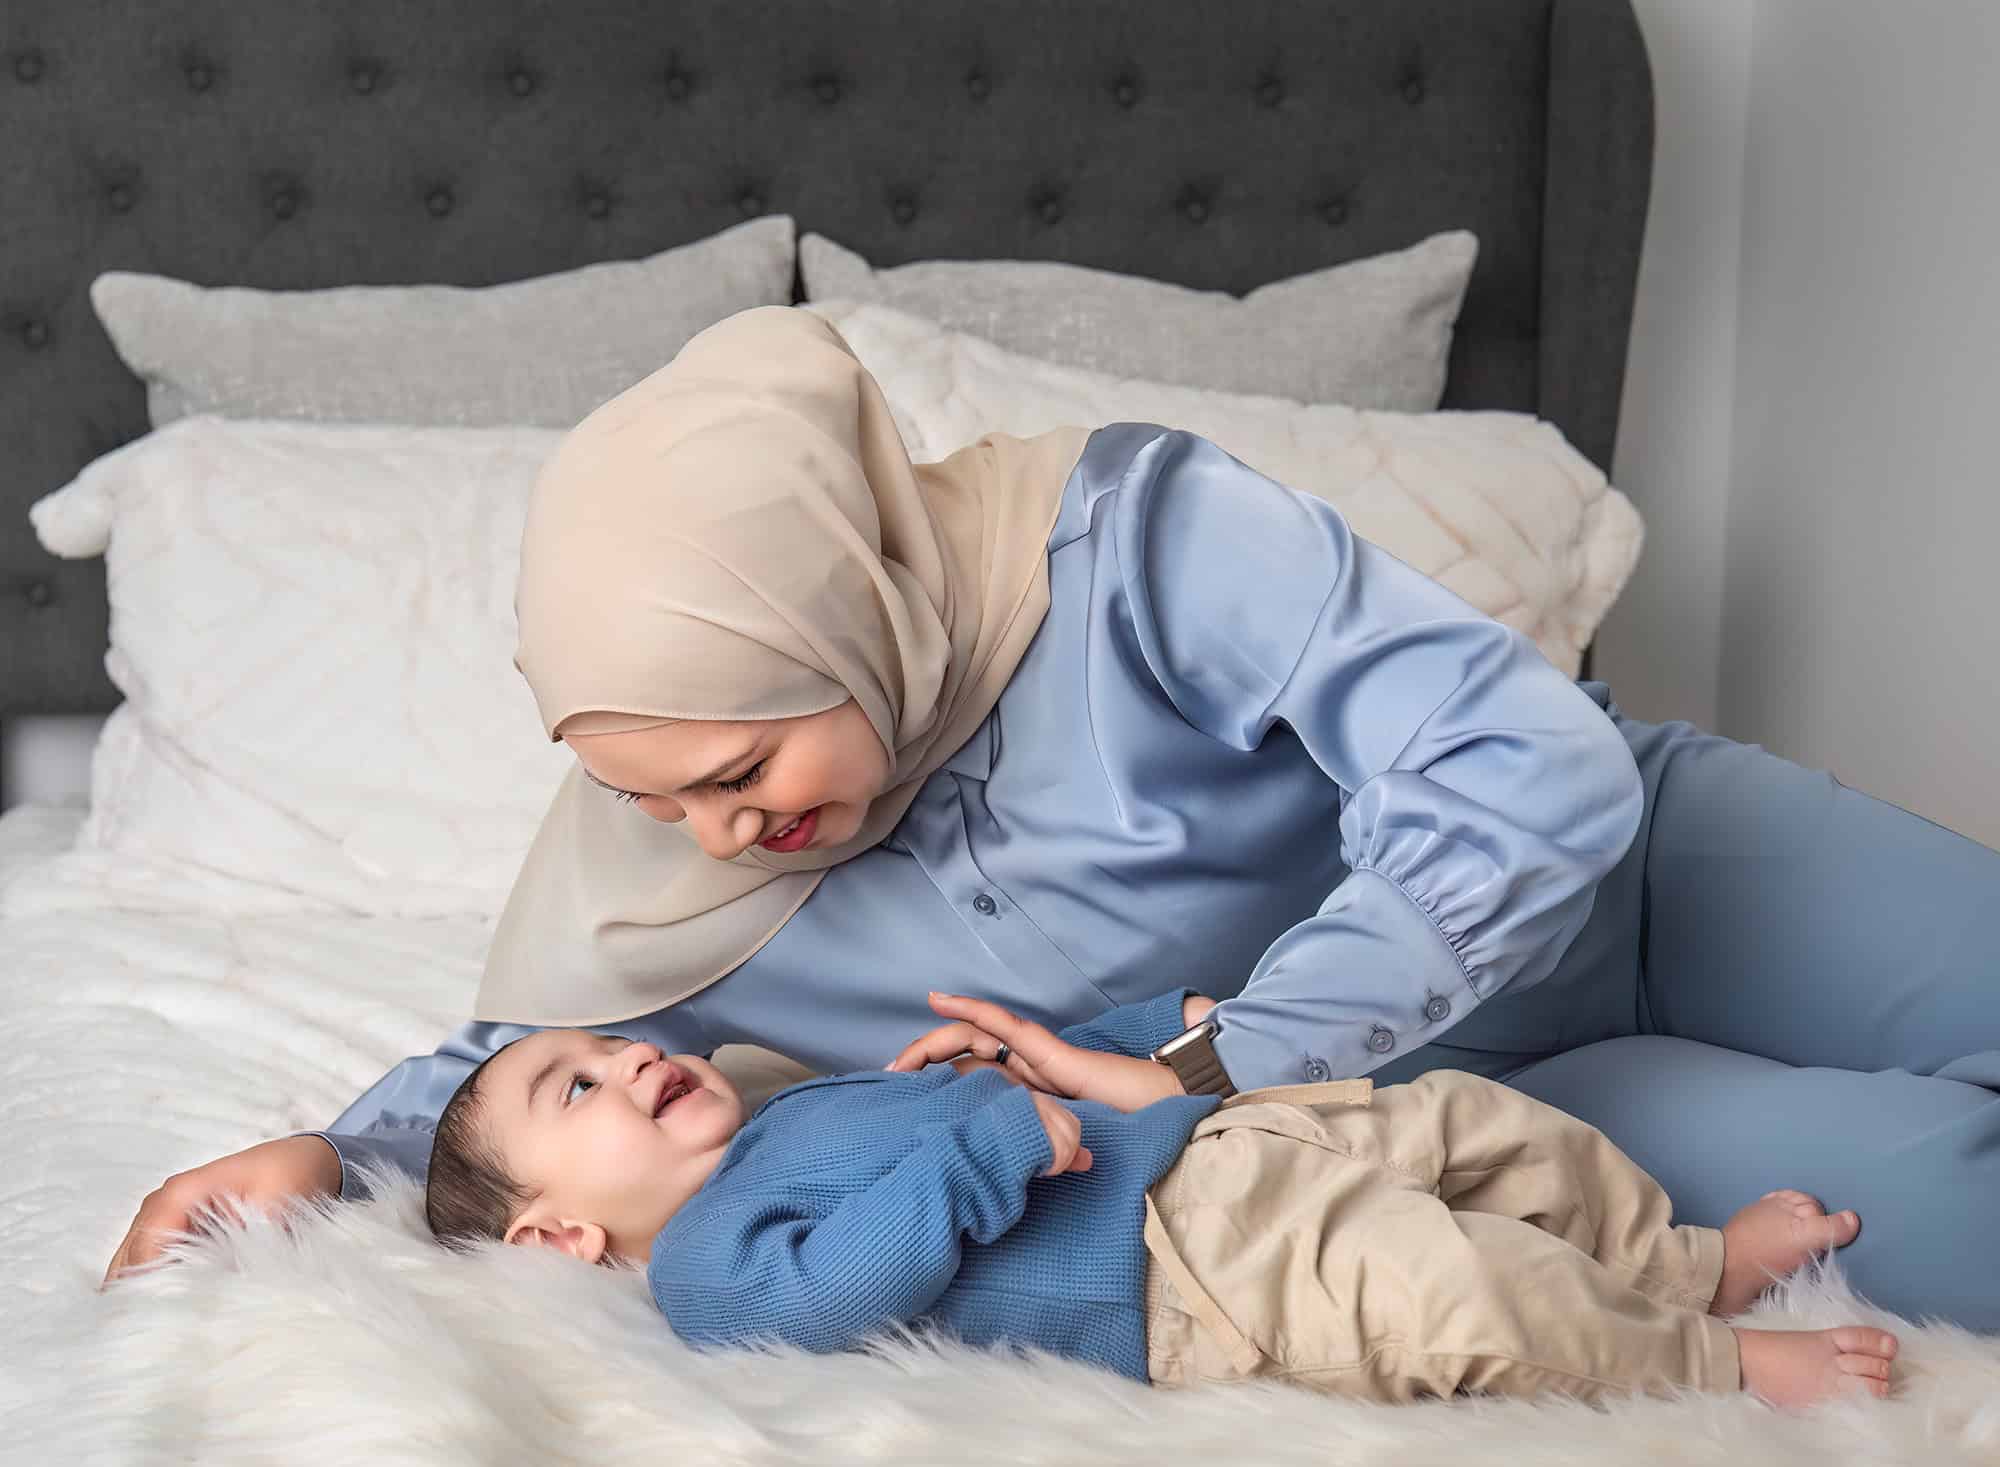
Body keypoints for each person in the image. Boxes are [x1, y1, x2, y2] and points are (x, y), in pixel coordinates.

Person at [104, 307, 2000, 1333]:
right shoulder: (678, 868)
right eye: (644, 794)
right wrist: (319, 1153)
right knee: (1963, 1220)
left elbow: (1525, 769)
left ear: (850, 605)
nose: (713, 838)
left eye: (745, 769)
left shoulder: (1130, 539)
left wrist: (1216, 1056)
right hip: (1468, 1123)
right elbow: (537, 1081)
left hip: (1651, 871)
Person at [422, 989, 1897, 1407]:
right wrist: (981, 1143)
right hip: (1185, 1274)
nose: (630, 1060)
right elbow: (835, 1294)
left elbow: (1050, 1093)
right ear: (560, 1235)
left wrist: (1123, 1043)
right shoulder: (704, 1269)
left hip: (1224, 1146)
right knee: (1455, 1289)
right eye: (577, 1089)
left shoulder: (796, 1108)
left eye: (613, 1045)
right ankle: (1712, 1362)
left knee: (1489, 1130)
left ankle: (1677, 1261)